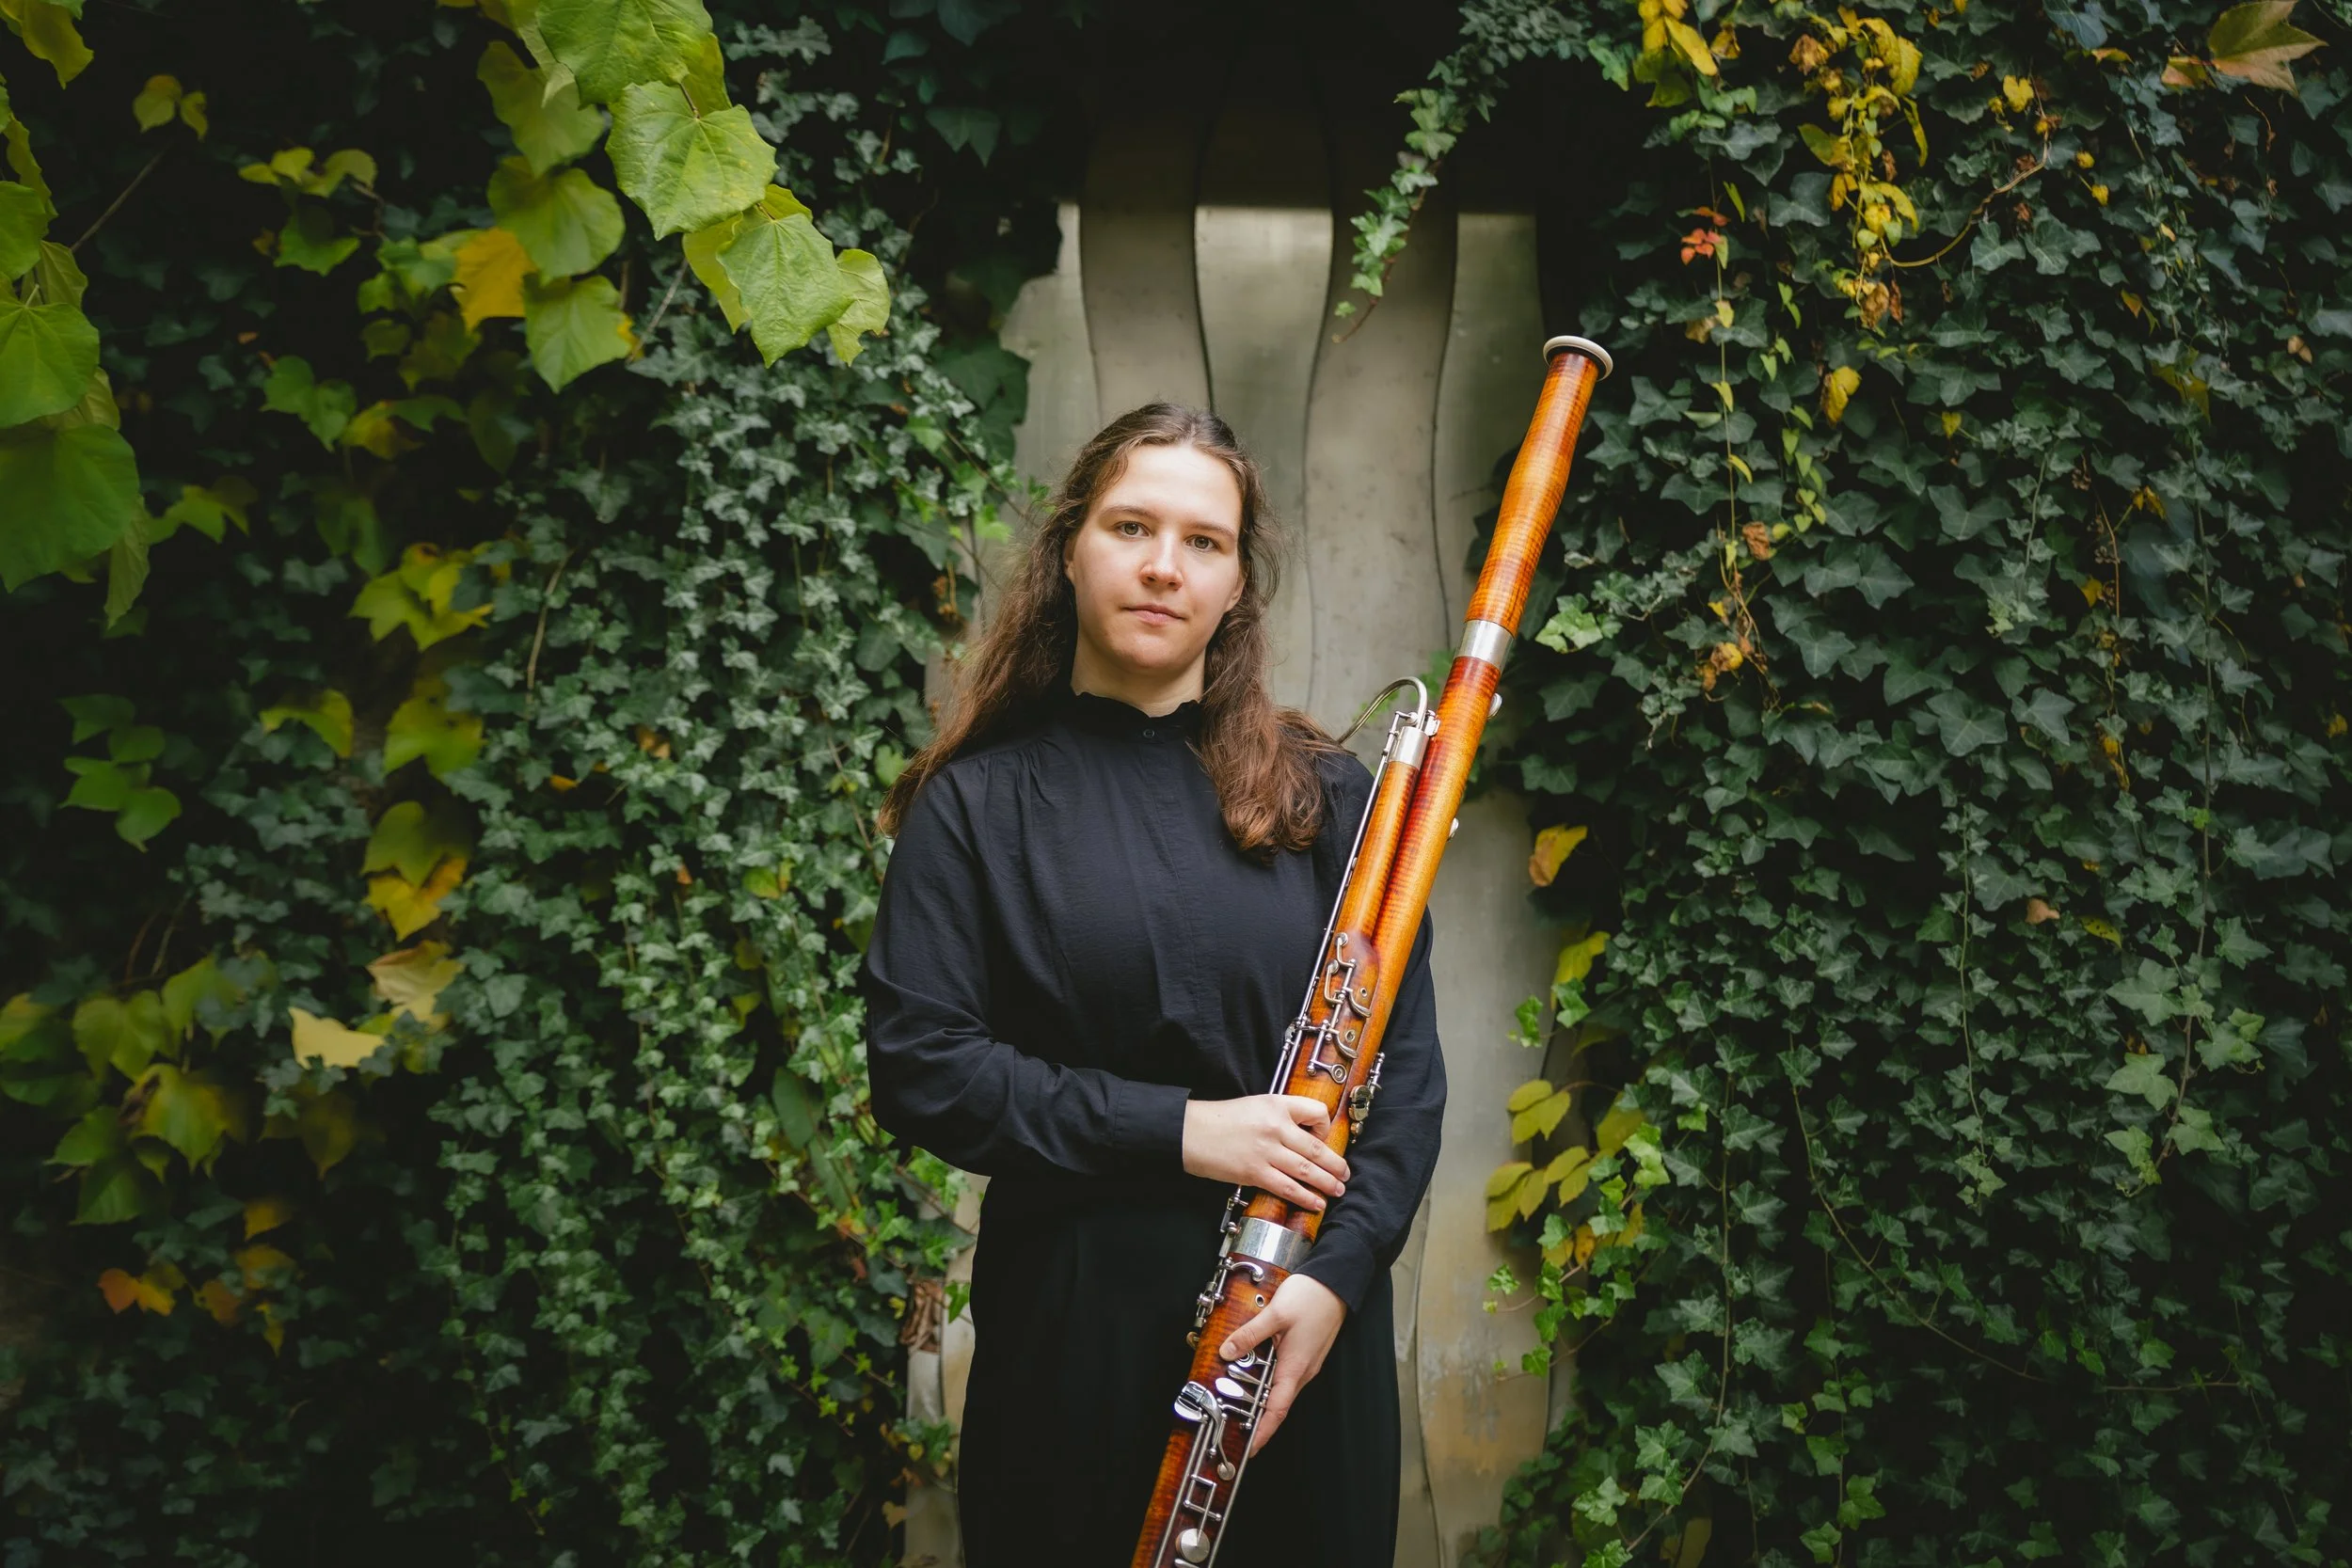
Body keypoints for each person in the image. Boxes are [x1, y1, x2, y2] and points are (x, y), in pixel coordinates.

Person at [860, 403, 1445, 1565]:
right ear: (1070, 549)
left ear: (1236, 586)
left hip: (1296, 1338)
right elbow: (923, 1070)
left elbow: (1408, 1076)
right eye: (1131, 526)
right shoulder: (974, 804)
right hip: (1071, 1341)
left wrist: (1335, 1280)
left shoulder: (1331, 798)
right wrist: (1186, 1130)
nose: (1164, 565)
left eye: (1203, 541)